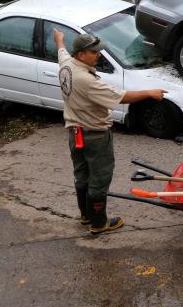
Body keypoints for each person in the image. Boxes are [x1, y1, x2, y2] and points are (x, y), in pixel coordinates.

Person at [53, 29, 168, 234]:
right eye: (94, 52)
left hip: (75, 133)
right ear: (81, 55)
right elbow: (120, 97)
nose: (99, 55)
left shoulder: (66, 64)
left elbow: (61, 52)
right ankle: (99, 223)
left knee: (82, 175)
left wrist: (59, 40)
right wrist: (149, 93)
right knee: (99, 178)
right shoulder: (86, 80)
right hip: (95, 135)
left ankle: (86, 215)